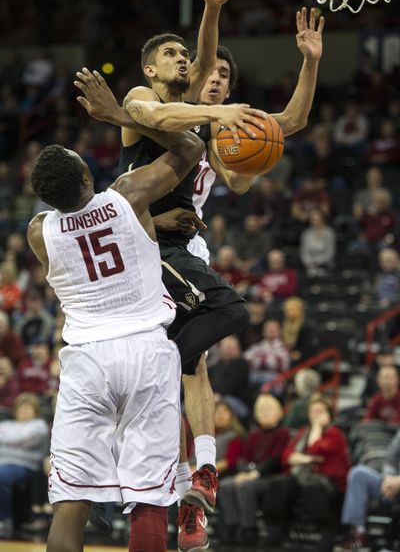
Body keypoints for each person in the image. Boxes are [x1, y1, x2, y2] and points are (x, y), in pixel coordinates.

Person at [75, 3, 324, 551]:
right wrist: (211, 12)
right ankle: (120, 470)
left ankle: (197, 481)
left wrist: (310, 64)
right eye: (206, 71)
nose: (212, 76)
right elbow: (155, 126)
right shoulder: (158, 108)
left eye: (223, 76)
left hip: (186, 245)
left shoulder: (220, 134)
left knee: (195, 359)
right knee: (164, 355)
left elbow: (289, 125)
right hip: (139, 240)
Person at [27, 129, 205, 552]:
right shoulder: (127, 195)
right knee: (148, 498)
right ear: (87, 177)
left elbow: (86, 237)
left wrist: (148, 221)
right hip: (146, 350)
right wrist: (120, 115)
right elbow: (193, 148)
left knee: (71, 501)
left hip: (87, 360)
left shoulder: (39, 232)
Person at [262, 394, 351, 552]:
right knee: (277, 485)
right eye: (313, 412)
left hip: (329, 481)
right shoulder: (303, 431)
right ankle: (276, 529)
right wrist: (304, 459)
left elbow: (315, 448)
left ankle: (327, 533)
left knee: (312, 490)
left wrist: (316, 428)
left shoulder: (335, 434)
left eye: (320, 411)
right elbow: (287, 456)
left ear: (329, 414)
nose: (316, 415)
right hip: (302, 476)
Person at [217, 394, 290, 544]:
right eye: (262, 410)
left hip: (270, 476)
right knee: (225, 485)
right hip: (250, 473)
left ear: (278, 412)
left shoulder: (283, 433)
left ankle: (249, 528)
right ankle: (233, 524)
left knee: (245, 486)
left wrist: (255, 473)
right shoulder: (254, 435)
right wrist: (244, 472)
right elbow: (243, 457)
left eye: (270, 409)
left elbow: (276, 459)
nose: (265, 413)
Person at [335, 430, 400, 552]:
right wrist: (388, 479)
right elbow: (391, 460)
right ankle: (359, 534)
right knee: (359, 473)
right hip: (392, 485)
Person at [0, 392, 48, 538]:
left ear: (35, 410)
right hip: (2, 463)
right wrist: (14, 441)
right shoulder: (6, 424)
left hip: (25, 466)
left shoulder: (39, 426)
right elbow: (18, 440)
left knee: (1, 476)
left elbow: (26, 439)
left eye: (28, 407)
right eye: (21, 407)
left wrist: (4, 441)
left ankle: (3, 520)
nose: (24, 410)